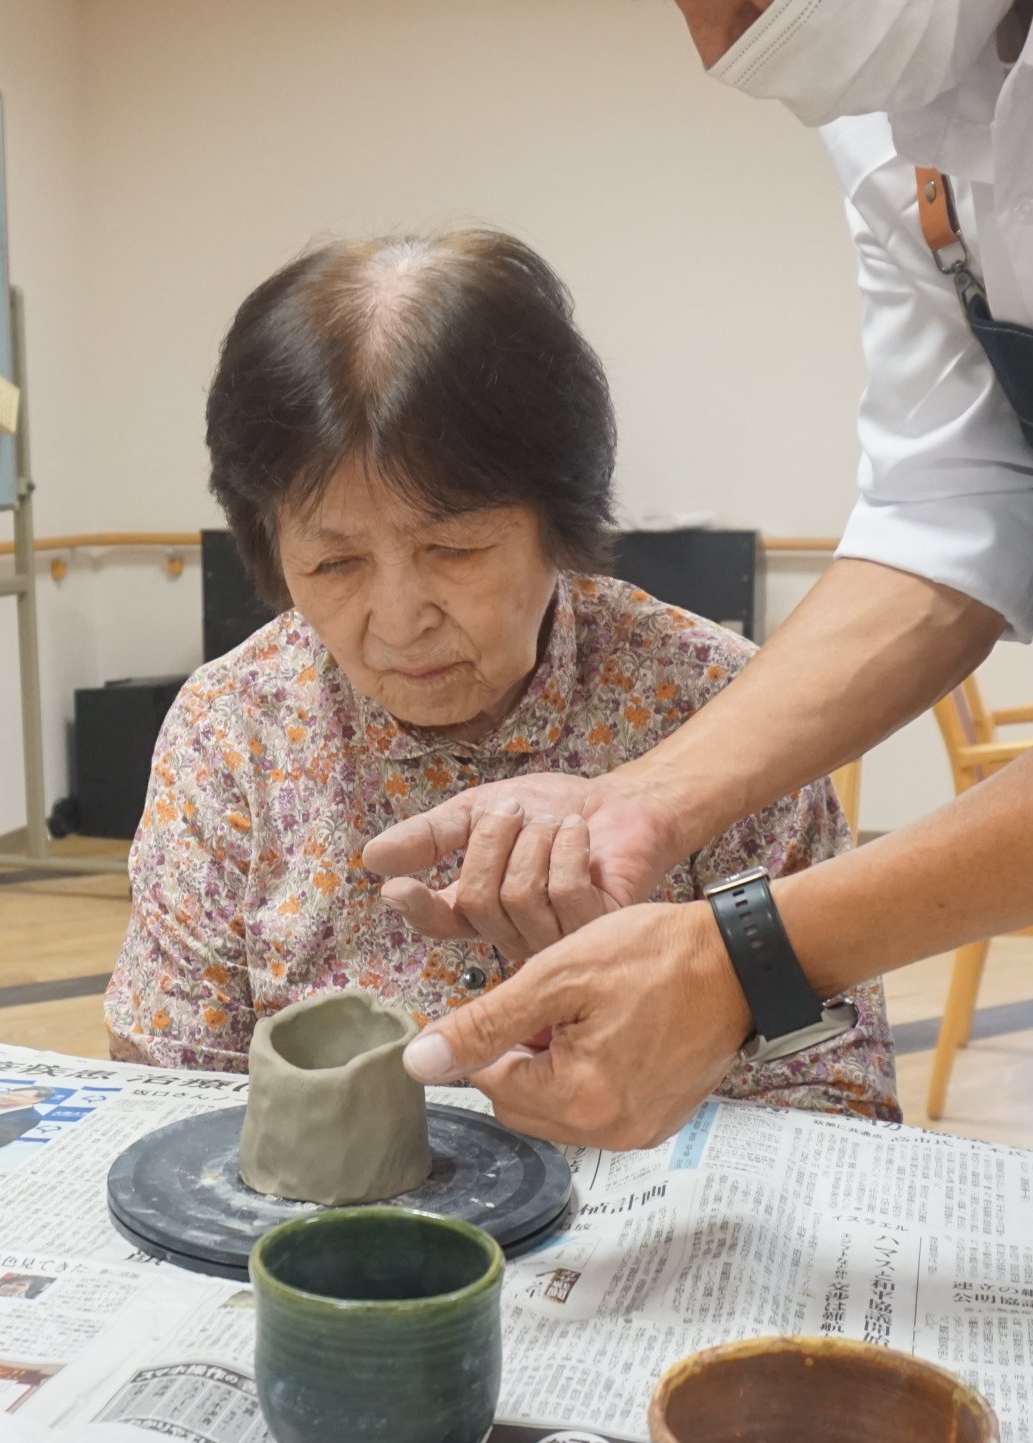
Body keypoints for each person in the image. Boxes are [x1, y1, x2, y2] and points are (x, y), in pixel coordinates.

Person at [370, 0, 1033, 1202]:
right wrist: (647, 801)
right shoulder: (901, 89)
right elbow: (950, 501)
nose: (719, 43)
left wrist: (743, 958)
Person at [104, 230, 898, 1120]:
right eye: (334, 566)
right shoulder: (234, 728)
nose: (398, 621)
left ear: (557, 521)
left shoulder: (721, 710)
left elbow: (836, 1089)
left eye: (454, 548)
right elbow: (165, 1085)